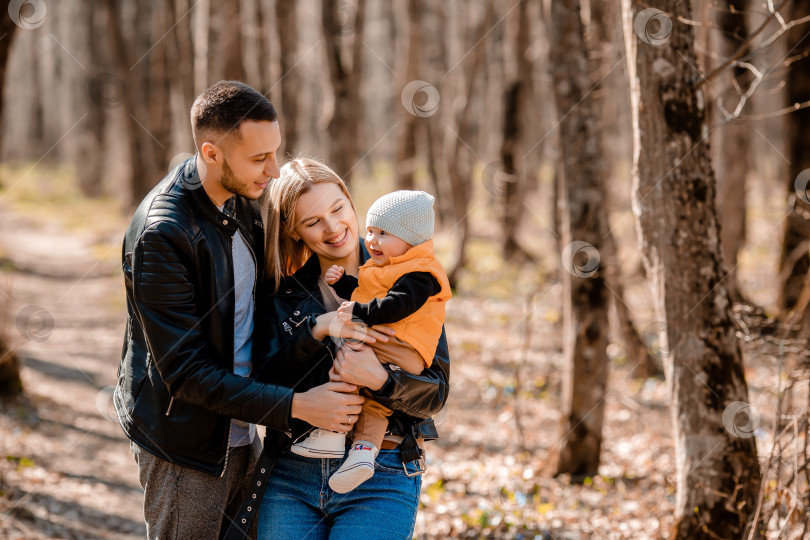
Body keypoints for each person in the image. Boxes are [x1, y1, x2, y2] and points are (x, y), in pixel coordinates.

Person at [115, 81, 380, 540]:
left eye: (274, 152)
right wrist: (297, 406)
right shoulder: (164, 234)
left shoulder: (241, 203)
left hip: (244, 434)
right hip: (187, 445)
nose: (274, 171)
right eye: (260, 159)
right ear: (212, 153)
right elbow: (185, 374)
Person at [251, 158, 450, 539]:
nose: (332, 227)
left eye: (337, 208)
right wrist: (316, 330)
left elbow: (436, 390)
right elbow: (262, 382)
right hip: (293, 472)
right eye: (312, 222)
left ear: (350, 199)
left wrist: (381, 381)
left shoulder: (405, 275)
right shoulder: (281, 294)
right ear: (294, 231)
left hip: (384, 467)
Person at [290, 190, 451, 494]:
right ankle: (363, 453)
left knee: (346, 352)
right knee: (375, 403)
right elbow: (370, 293)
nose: (372, 240)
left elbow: (394, 305)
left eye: (383, 233)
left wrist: (359, 315)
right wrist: (346, 284)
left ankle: (331, 432)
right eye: (371, 231)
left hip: (406, 349)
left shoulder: (422, 274)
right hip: (395, 347)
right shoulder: (389, 266)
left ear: (412, 239)